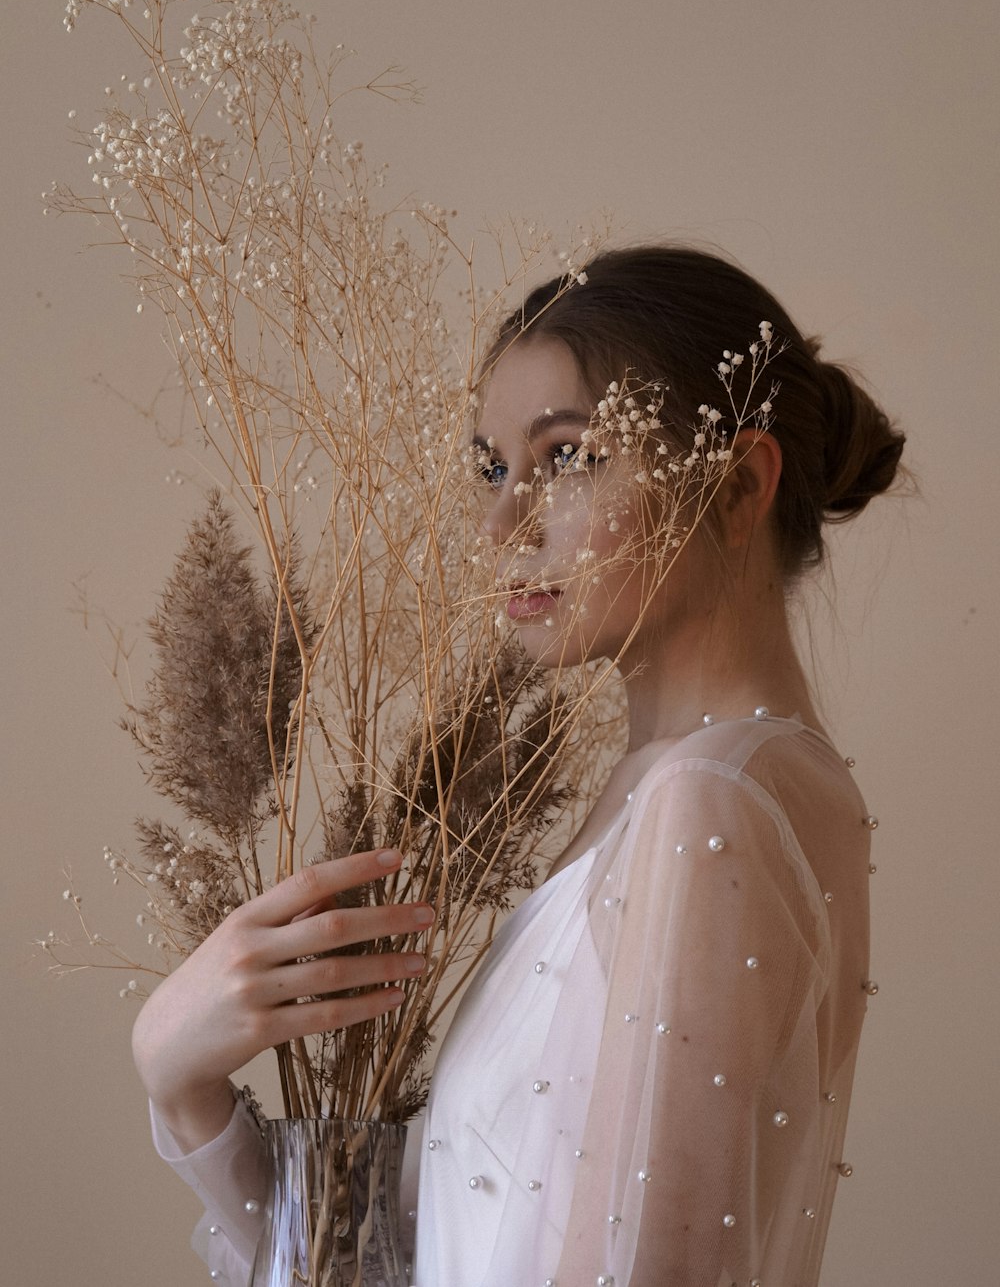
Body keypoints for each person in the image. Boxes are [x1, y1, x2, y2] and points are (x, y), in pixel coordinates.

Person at [132, 245, 905, 1286]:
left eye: (569, 457)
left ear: (735, 487)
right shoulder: (712, 787)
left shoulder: (705, 801)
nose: (502, 524)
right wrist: (180, 1078)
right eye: (492, 468)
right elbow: (410, 1251)